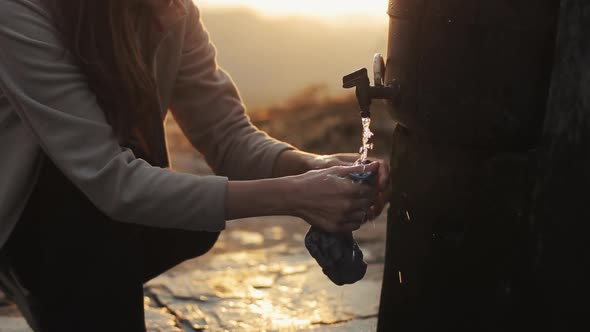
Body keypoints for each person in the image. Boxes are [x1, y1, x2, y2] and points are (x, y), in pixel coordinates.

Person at [0, 0, 390, 331]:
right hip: (27, 218)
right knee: (98, 245)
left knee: (186, 222)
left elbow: (227, 134)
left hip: (92, 216)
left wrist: (313, 167)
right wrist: (295, 195)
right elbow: (113, 182)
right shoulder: (21, 12)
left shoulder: (172, 10)